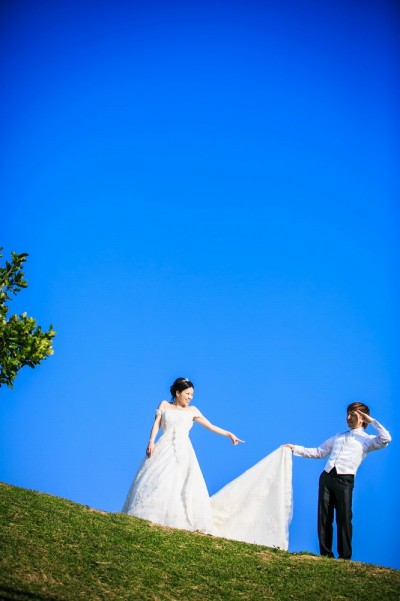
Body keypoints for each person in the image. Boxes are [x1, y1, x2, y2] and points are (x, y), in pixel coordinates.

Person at [122, 377, 244, 534]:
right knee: (160, 478)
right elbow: (156, 425)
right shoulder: (164, 405)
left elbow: (210, 426)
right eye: (187, 393)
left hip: (184, 449)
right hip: (164, 446)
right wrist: (151, 442)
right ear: (178, 393)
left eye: (192, 394)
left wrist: (229, 434)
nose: (190, 397)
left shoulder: (193, 411)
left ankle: (181, 517)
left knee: (183, 481)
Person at [284, 402, 391, 560]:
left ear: (362, 419)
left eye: (353, 415)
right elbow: (319, 452)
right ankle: (326, 554)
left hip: (345, 480)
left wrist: (372, 420)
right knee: (324, 517)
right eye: (347, 414)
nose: (348, 418)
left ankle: (345, 556)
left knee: (344, 518)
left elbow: (386, 439)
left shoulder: (368, 440)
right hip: (327, 477)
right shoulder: (339, 437)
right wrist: (294, 448)